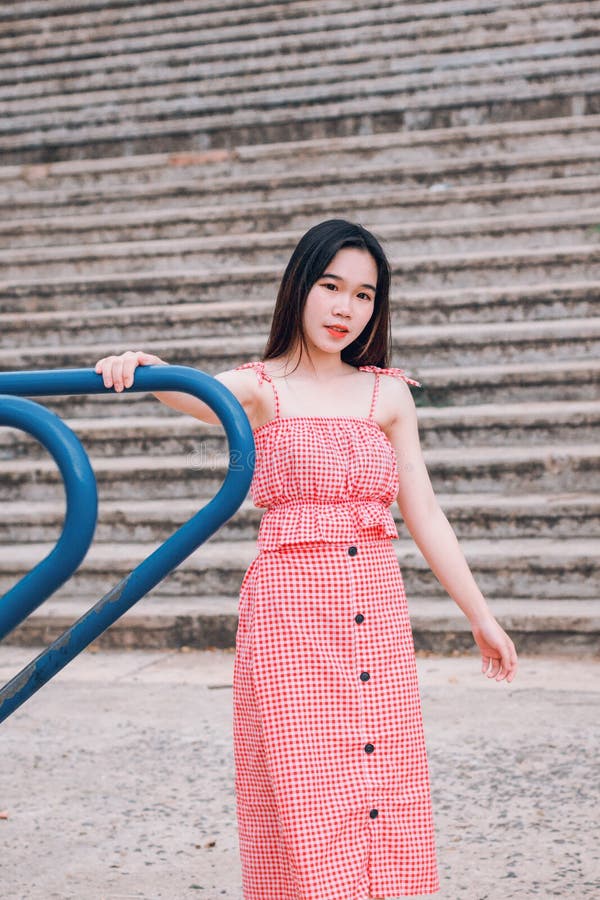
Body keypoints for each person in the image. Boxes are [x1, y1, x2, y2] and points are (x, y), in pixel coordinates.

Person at [95, 218, 518, 900]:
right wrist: (142, 366)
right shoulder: (264, 387)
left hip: (375, 606)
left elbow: (425, 511)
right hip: (291, 609)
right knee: (305, 777)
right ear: (300, 286)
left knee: (385, 773)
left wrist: (481, 616)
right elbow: (190, 390)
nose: (345, 308)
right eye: (330, 286)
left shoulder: (388, 393)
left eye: (363, 294)